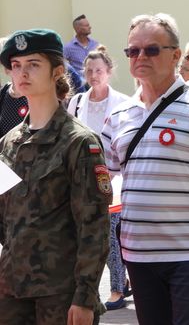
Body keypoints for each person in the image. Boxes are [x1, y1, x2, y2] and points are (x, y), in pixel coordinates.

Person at [101, 13, 189, 325]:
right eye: (133, 50)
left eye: (151, 49)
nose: (140, 56)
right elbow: (105, 182)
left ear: (176, 55)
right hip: (138, 253)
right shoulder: (118, 115)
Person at [0, 29, 111, 324]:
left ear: (57, 71)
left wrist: (85, 297)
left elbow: (94, 226)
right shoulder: (8, 143)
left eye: (33, 64)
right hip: (11, 292)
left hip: (61, 293)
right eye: (16, 65)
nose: (22, 73)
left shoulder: (79, 142)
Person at [67, 45, 131, 311]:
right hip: (81, 178)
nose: (94, 76)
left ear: (109, 72)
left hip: (111, 175)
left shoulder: (123, 102)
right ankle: (118, 282)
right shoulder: (76, 102)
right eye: (90, 71)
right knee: (86, 234)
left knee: (111, 235)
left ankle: (117, 289)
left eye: (99, 71)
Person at [63, 14, 99, 79]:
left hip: (95, 81)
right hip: (79, 83)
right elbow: (62, 64)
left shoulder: (95, 45)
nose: (90, 27)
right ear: (78, 29)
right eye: (87, 25)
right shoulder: (68, 48)